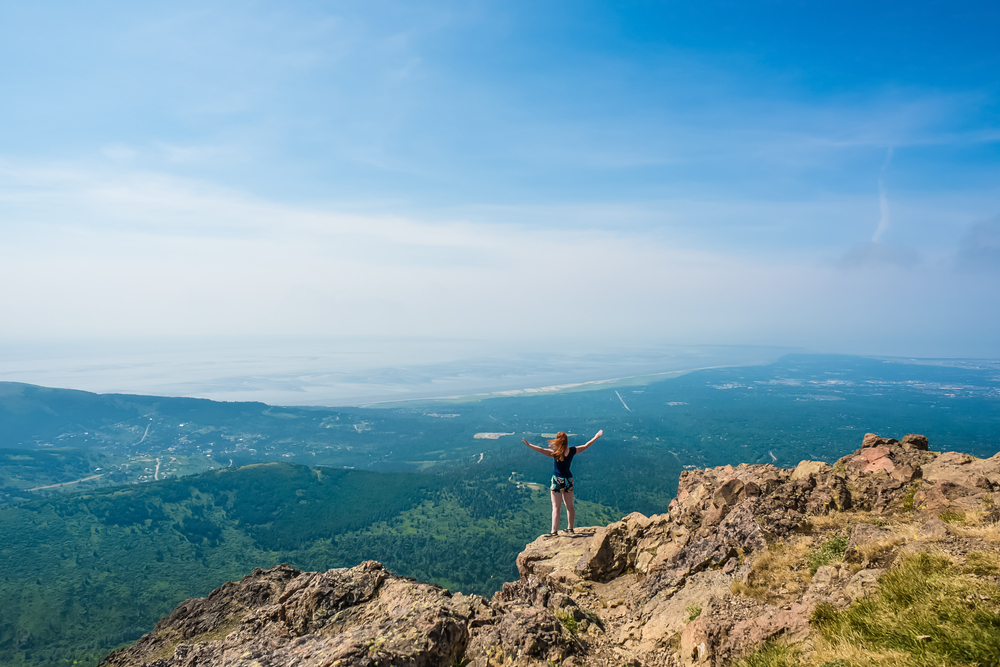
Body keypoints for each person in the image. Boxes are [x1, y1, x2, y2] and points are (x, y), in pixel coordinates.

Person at [522, 429, 603, 536]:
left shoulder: (555, 453)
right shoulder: (572, 451)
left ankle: (554, 531)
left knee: (556, 507)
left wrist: (529, 445)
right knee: (570, 506)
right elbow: (586, 445)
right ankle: (570, 528)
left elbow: (541, 450)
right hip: (568, 480)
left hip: (557, 481)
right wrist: (596, 437)